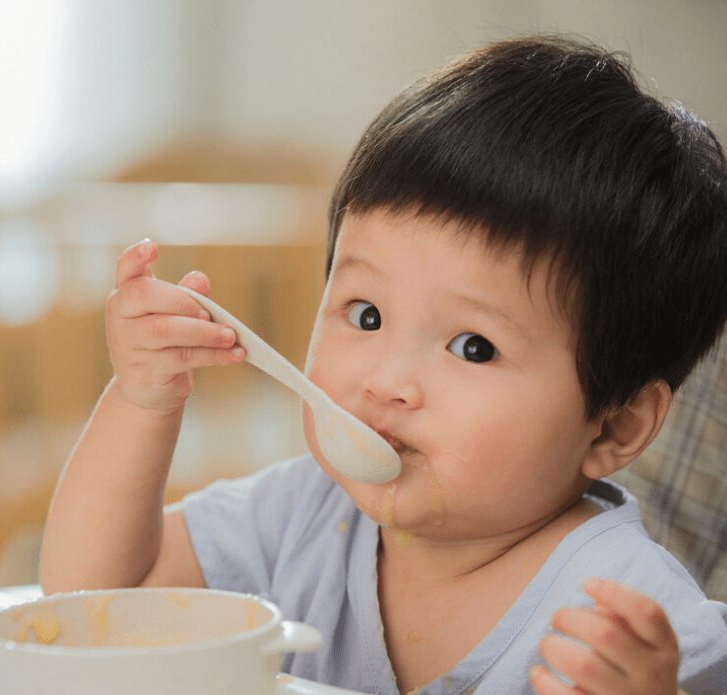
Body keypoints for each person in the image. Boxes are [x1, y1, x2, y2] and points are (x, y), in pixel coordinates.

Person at [39, 35, 727, 695]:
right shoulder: (303, 516)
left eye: (473, 347)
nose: (386, 381)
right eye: (365, 314)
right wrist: (141, 403)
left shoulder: (626, 617)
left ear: (614, 426)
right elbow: (97, 597)